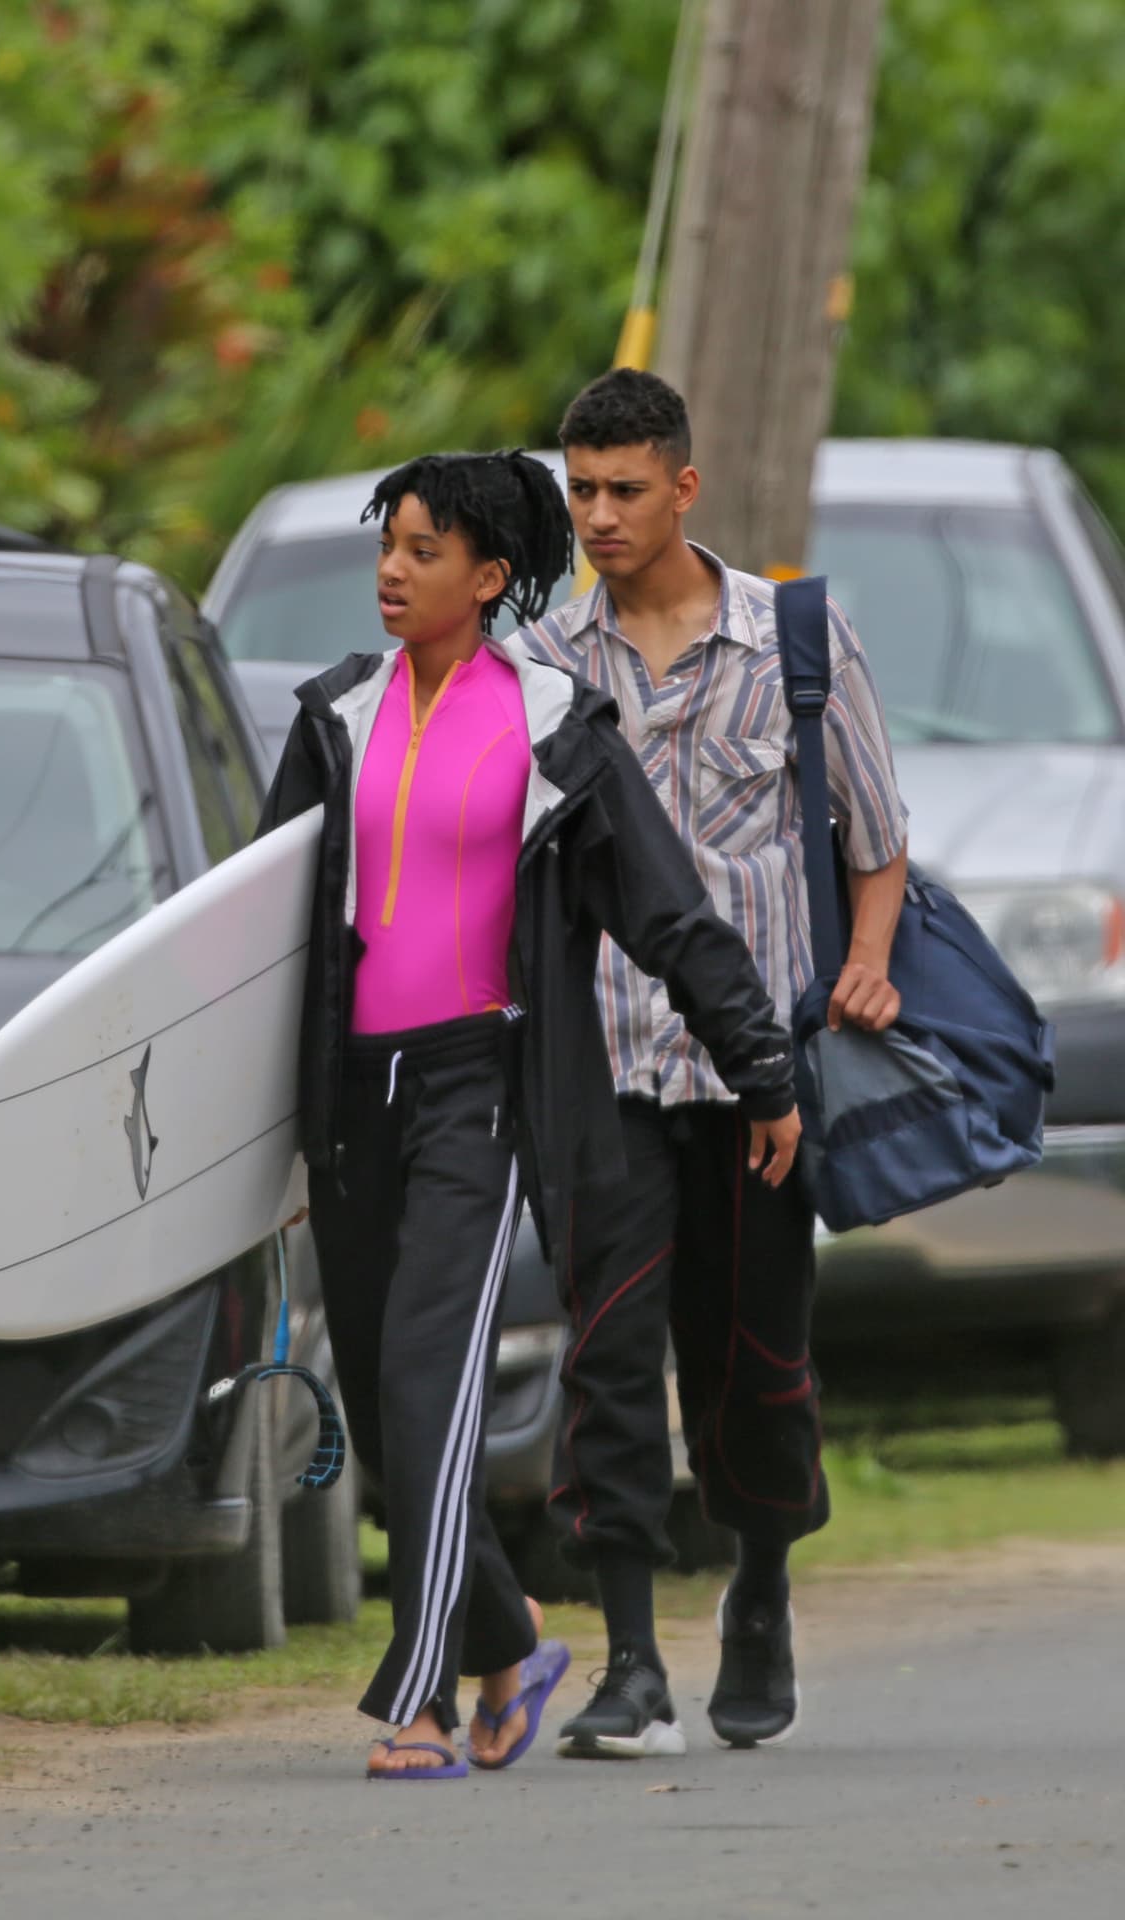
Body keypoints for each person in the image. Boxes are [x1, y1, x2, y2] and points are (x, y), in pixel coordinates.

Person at [257, 447, 803, 1780]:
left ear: (489, 578)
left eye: (422, 550)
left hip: (479, 1092)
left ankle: (421, 1698)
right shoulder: (336, 713)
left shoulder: (555, 730)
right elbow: (261, 936)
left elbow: (671, 912)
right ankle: (508, 1639)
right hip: (353, 1106)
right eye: (385, 544)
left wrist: (763, 1067)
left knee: (423, 1380)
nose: (391, 569)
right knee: (393, 1416)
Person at [521, 370, 908, 1759]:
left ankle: (760, 1587)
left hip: (763, 1084)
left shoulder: (794, 640)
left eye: (626, 489)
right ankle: (629, 1658)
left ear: (686, 487)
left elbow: (876, 837)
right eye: (581, 491)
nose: (601, 516)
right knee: (609, 1360)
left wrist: (865, 962)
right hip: (611, 1070)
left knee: (754, 1356)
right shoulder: (551, 665)